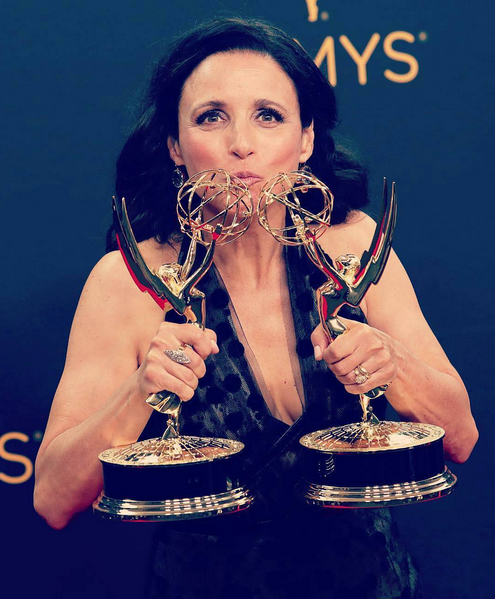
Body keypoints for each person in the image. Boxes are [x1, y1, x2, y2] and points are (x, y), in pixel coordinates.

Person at [34, 16, 478, 599]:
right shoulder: (129, 280)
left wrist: (392, 363)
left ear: (306, 140)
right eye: (210, 116)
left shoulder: (353, 248)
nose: (240, 143)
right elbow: (54, 499)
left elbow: (461, 438)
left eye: (268, 115)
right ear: (174, 145)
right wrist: (140, 391)